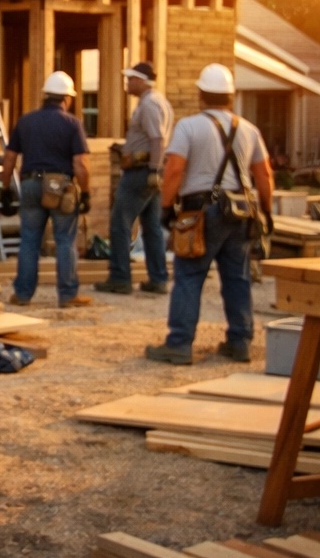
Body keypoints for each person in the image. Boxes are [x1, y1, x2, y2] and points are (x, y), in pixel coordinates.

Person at [145, 63, 274, 365]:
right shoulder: (249, 129)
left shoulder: (189, 127)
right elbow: (264, 175)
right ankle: (239, 342)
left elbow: (174, 170)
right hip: (241, 213)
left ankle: (179, 344)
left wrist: (165, 208)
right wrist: (266, 213)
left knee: (189, 277)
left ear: (201, 94)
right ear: (230, 96)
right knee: (238, 278)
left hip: (200, 213)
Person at [0, 71, 93, 309]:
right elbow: (80, 164)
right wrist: (87, 192)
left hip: (30, 183)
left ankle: (22, 295)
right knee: (64, 240)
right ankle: (68, 295)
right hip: (59, 187)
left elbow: (9, 158)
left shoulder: (26, 121)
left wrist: (5, 188)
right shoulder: (72, 124)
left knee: (29, 241)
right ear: (67, 99)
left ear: (45, 96)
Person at [95, 62, 174, 296]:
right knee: (152, 227)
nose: (127, 83)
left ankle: (120, 278)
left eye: (131, 79)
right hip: (147, 170)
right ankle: (158, 278)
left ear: (141, 80)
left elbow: (157, 139)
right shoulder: (159, 102)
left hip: (141, 172)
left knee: (120, 223)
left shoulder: (149, 104)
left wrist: (153, 171)